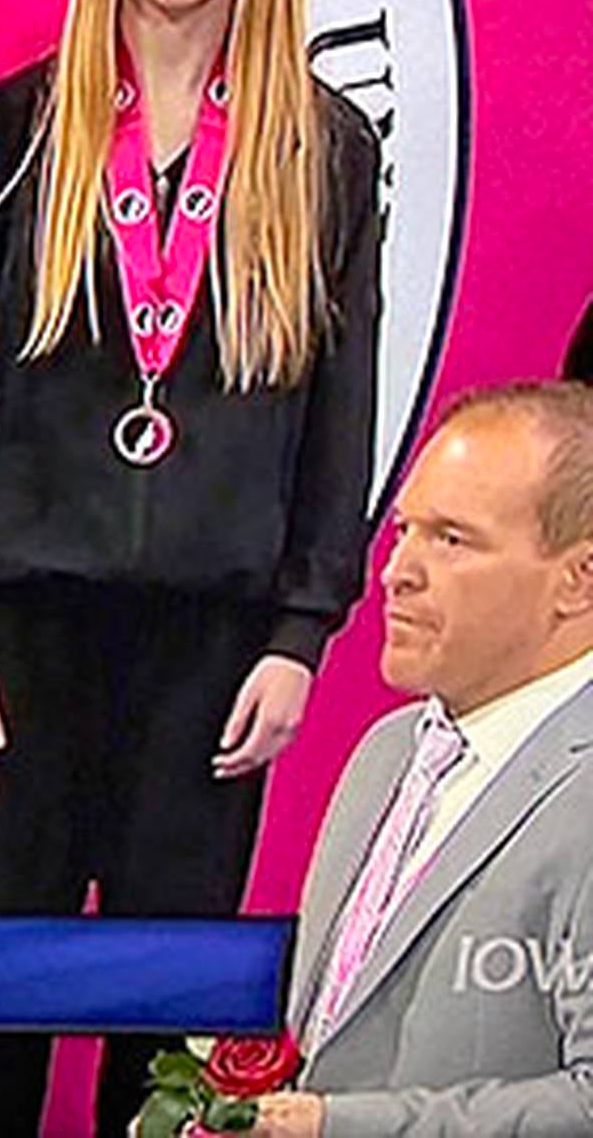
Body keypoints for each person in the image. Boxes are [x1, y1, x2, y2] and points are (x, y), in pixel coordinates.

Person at [0, 0, 381, 1136]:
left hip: (212, 663)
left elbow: (339, 421)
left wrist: (299, 632)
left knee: (166, 1044)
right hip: (15, 651)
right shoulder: (6, 139)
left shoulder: (323, 156)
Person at [253, 381, 593, 1138]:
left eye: (451, 539)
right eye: (405, 528)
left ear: (578, 580)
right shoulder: (386, 753)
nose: (396, 570)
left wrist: (333, 1127)